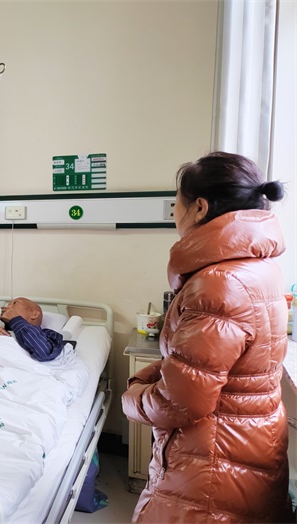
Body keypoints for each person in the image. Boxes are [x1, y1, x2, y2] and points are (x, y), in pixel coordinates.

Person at [121, 152, 294, 522]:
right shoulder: (260, 268)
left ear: (199, 207)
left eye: (177, 203)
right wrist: (162, 370)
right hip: (247, 441)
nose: (174, 213)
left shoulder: (218, 283)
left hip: (212, 463)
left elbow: (179, 404)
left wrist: (131, 396)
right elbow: (218, 368)